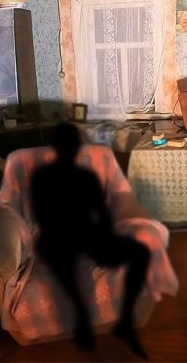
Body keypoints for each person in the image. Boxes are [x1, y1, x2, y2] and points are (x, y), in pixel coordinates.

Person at [31, 123, 150, 359]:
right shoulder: (45, 177)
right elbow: (43, 218)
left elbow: (103, 217)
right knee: (62, 259)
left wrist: (108, 242)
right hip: (58, 236)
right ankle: (82, 315)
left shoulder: (83, 177)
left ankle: (124, 321)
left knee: (140, 252)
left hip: (84, 234)